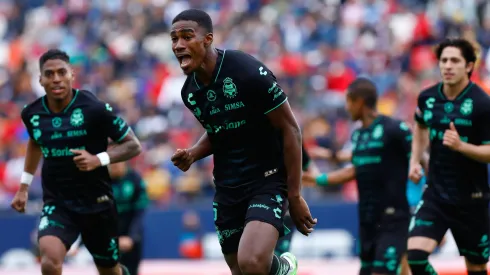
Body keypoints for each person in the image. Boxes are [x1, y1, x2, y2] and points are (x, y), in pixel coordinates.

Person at [169, 9, 317, 275]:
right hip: (228, 187)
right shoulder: (189, 92)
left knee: (253, 263)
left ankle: (285, 267)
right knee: (241, 270)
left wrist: (294, 195)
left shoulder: (246, 71)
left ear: (207, 39)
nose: (178, 45)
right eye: (174, 39)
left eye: (186, 37)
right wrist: (193, 153)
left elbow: (291, 129)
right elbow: (220, 132)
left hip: (266, 178)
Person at [10, 49, 142, 275]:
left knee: (109, 270)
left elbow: (133, 145)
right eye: (49, 74)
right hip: (58, 204)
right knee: (50, 262)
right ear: (40, 79)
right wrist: (24, 186)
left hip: (97, 203)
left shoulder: (94, 109)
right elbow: (35, 141)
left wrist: (98, 159)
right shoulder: (32, 114)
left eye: (62, 72)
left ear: (72, 74)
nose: (56, 79)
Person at [303, 78, 424, 275]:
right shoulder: (359, 135)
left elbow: (419, 155)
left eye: (349, 101)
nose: (347, 107)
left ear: (359, 102)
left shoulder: (394, 129)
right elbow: (355, 168)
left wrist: (418, 169)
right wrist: (317, 178)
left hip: (393, 218)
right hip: (367, 219)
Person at [408, 38, 490, 275]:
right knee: (415, 257)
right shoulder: (427, 98)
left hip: (472, 199)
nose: (447, 66)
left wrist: (462, 147)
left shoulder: (482, 103)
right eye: (444, 60)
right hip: (436, 194)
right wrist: (416, 160)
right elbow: (420, 126)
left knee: (476, 268)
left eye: (455, 60)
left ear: (469, 66)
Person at [274, 145, 319, 256]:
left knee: (279, 255)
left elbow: (314, 175)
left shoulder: (294, 141)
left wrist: (293, 178)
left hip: (286, 209)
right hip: (257, 207)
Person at [109, 157, 149, 275]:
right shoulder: (102, 181)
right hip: (110, 236)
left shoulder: (135, 179)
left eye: (117, 163)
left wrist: (132, 237)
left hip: (131, 234)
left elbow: (140, 212)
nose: (114, 166)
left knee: (132, 270)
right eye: (111, 164)